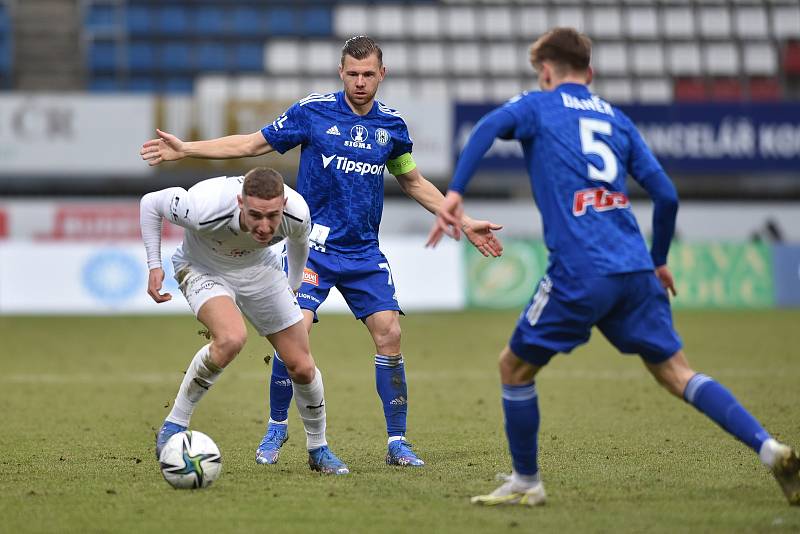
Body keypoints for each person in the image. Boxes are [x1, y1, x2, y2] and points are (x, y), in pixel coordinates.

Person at [428, 27, 800, 506]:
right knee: (677, 373)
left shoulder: (538, 106)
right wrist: (659, 260)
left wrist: (455, 192)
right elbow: (666, 195)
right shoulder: (617, 119)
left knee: (513, 368)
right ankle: (770, 450)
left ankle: (526, 481)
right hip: (635, 269)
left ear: (546, 72)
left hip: (581, 270)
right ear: (591, 71)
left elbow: (484, 129)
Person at [140, 35, 503, 468]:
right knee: (298, 333)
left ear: (382, 74)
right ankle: (277, 428)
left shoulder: (393, 127)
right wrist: (188, 149)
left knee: (389, 333)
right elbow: (253, 144)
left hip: (364, 251)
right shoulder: (312, 112)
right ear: (341, 72)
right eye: (353, 74)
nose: (361, 82)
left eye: (369, 74)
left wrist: (461, 219)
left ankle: (397, 441)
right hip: (313, 247)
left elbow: (412, 182)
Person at [141, 167, 349, 475]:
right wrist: (154, 265)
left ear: (282, 205)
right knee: (231, 339)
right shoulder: (200, 208)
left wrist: (291, 287)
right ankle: (174, 425)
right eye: (255, 215)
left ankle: (318, 448)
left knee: (302, 365)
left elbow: (298, 244)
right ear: (240, 203)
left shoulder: (297, 212)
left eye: (272, 216)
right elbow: (149, 203)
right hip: (202, 268)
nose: (265, 226)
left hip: (260, 271)